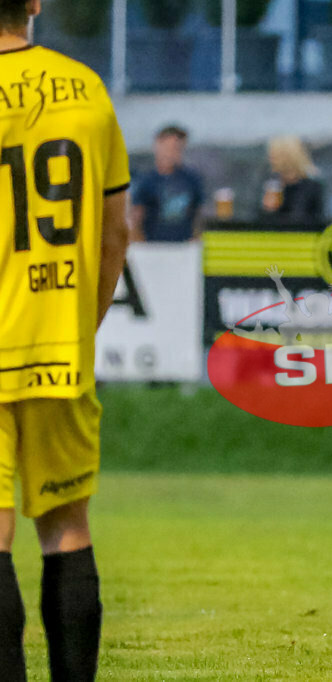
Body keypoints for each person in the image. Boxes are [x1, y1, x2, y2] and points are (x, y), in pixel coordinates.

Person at [0, 1, 131, 680]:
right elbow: (116, 234)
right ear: (35, 4)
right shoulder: (85, 87)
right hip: (59, 345)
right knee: (66, 530)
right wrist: (82, 328)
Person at [130, 125, 204, 242]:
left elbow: (198, 214)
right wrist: (140, 246)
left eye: (177, 148)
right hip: (154, 247)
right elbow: (136, 217)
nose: (171, 153)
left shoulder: (191, 180)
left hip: (184, 249)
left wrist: (196, 237)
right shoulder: (146, 181)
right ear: (158, 146)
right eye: (168, 147)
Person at [261, 136, 324, 223]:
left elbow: (303, 219)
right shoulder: (271, 184)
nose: (271, 160)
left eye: (275, 156)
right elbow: (257, 219)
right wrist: (268, 210)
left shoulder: (310, 187)